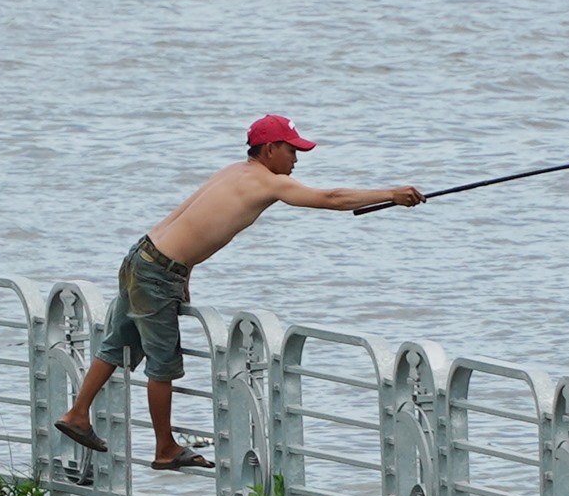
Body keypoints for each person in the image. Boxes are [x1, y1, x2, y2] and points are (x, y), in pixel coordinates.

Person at [54, 115, 424, 469]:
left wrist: (184, 270)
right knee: (162, 365)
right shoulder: (268, 182)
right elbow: (331, 198)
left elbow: (184, 217)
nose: (296, 159)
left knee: (117, 342)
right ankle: (165, 448)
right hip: (157, 274)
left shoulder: (233, 171)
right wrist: (392, 194)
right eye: (291, 150)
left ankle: (77, 414)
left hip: (142, 256)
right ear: (269, 149)